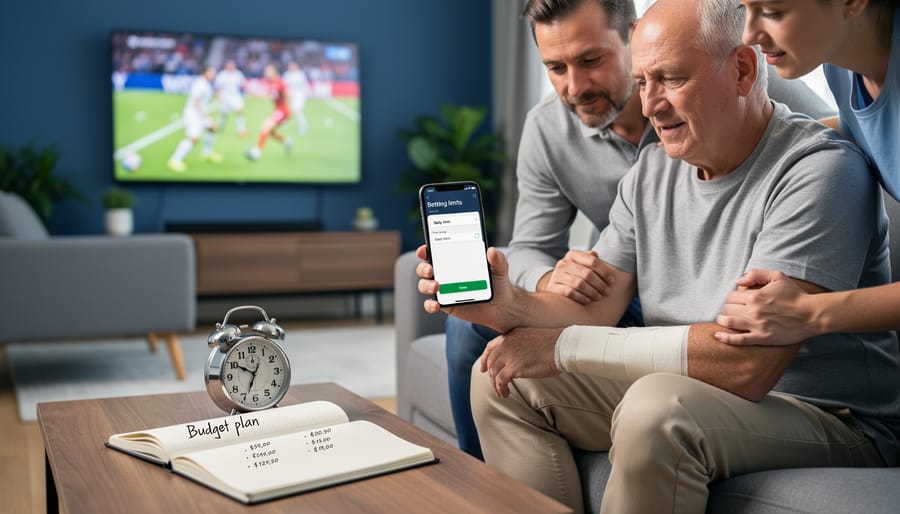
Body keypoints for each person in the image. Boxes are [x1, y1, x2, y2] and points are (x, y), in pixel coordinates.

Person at [415, 0, 900, 511]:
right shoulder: (652, 171)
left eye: (669, 79)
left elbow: (746, 367)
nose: (649, 105)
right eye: (643, 81)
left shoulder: (820, 172)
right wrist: (504, 304)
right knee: (502, 381)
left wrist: (561, 347)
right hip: (700, 386)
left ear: (742, 70)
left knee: (655, 407)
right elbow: (594, 307)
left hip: (828, 415)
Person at [715, 0, 900, 346]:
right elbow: (865, 128)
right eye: (745, 8)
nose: (749, 34)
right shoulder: (842, 66)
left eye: (773, 12)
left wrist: (809, 313)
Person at [167, 66, 221, 173]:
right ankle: (174, 160)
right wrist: (204, 115)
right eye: (211, 72)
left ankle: (206, 153)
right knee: (193, 138)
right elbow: (196, 102)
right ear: (205, 72)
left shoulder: (206, 83)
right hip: (194, 114)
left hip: (199, 114)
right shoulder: (199, 84)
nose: (213, 75)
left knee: (213, 128)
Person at [245, 64, 292, 161]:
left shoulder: (280, 82)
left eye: (269, 70)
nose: (266, 72)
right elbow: (266, 96)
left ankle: (256, 152)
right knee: (270, 132)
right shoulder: (271, 82)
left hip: (282, 111)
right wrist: (253, 93)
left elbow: (288, 95)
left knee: (265, 127)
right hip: (277, 110)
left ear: (275, 71)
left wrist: (287, 111)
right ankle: (286, 140)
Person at [214, 59, 248, 137]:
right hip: (225, 96)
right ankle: (219, 127)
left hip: (235, 96)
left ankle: (241, 130)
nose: (231, 67)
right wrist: (220, 97)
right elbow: (217, 88)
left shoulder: (238, 74)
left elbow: (244, 84)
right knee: (223, 114)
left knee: (239, 111)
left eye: (232, 65)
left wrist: (247, 90)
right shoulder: (222, 75)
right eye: (229, 65)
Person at [283, 61, 311, 137]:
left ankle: (303, 126)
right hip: (290, 95)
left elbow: (304, 85)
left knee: (297, 111)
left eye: (293, 66)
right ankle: (285, 122)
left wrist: (306, 94)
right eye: (290, 66)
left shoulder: (300, 74)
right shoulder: (287, 74)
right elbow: (284, 85)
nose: (291, 67)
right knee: (289, 110)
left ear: (296, 66)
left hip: (299, 95)